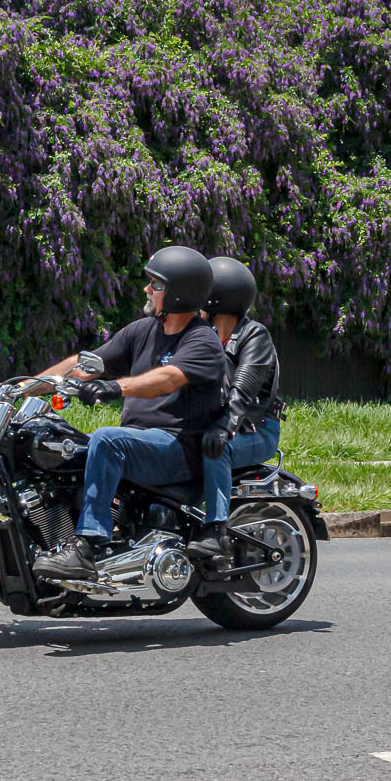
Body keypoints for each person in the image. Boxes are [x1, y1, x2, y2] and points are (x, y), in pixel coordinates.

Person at [30, 246, 226, 581]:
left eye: (156, 284)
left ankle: (87, 545)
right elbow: (85, 364)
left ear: (179, 293)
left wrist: (114, 388)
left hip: (177, 447)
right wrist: (24, 388)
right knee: (65, 447)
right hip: (143, 443)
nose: (147, 289)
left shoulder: (202, 340)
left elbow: (167, 379)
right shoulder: (142, 331)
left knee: (107, 439)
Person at [188, 256, 284, 562]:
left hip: (255, 430)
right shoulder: (203, 335)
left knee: (216, 449)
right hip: (219, 424)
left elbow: (243, 387)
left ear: (216, 297)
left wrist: (224, 426)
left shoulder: (254, 336)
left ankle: (215, 530)